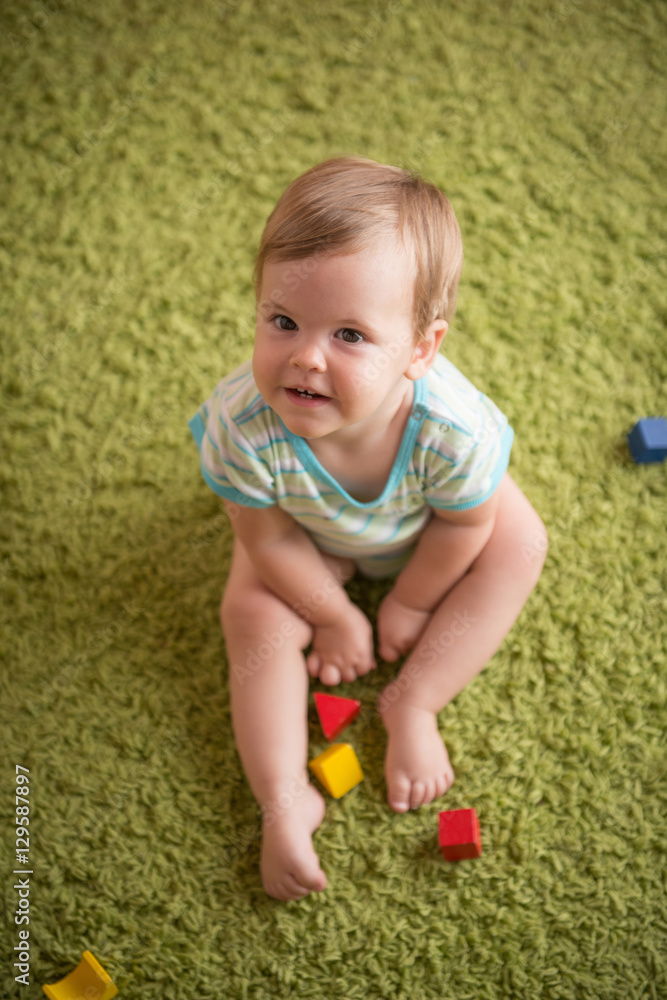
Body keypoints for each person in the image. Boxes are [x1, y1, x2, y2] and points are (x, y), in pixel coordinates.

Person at [188, 156, 548, 900]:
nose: (306, 357)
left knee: (519, 542)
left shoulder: (453, 431)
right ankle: (284, 799)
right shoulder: (241, 426)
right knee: (250, 613)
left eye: (350, 334)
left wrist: (412, 603)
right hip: (305, 539)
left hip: (432, 529)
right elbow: (267, 540)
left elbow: (462, 525)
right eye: (281, 321)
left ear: (420, 349)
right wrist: (331, 613)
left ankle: (412, 701)